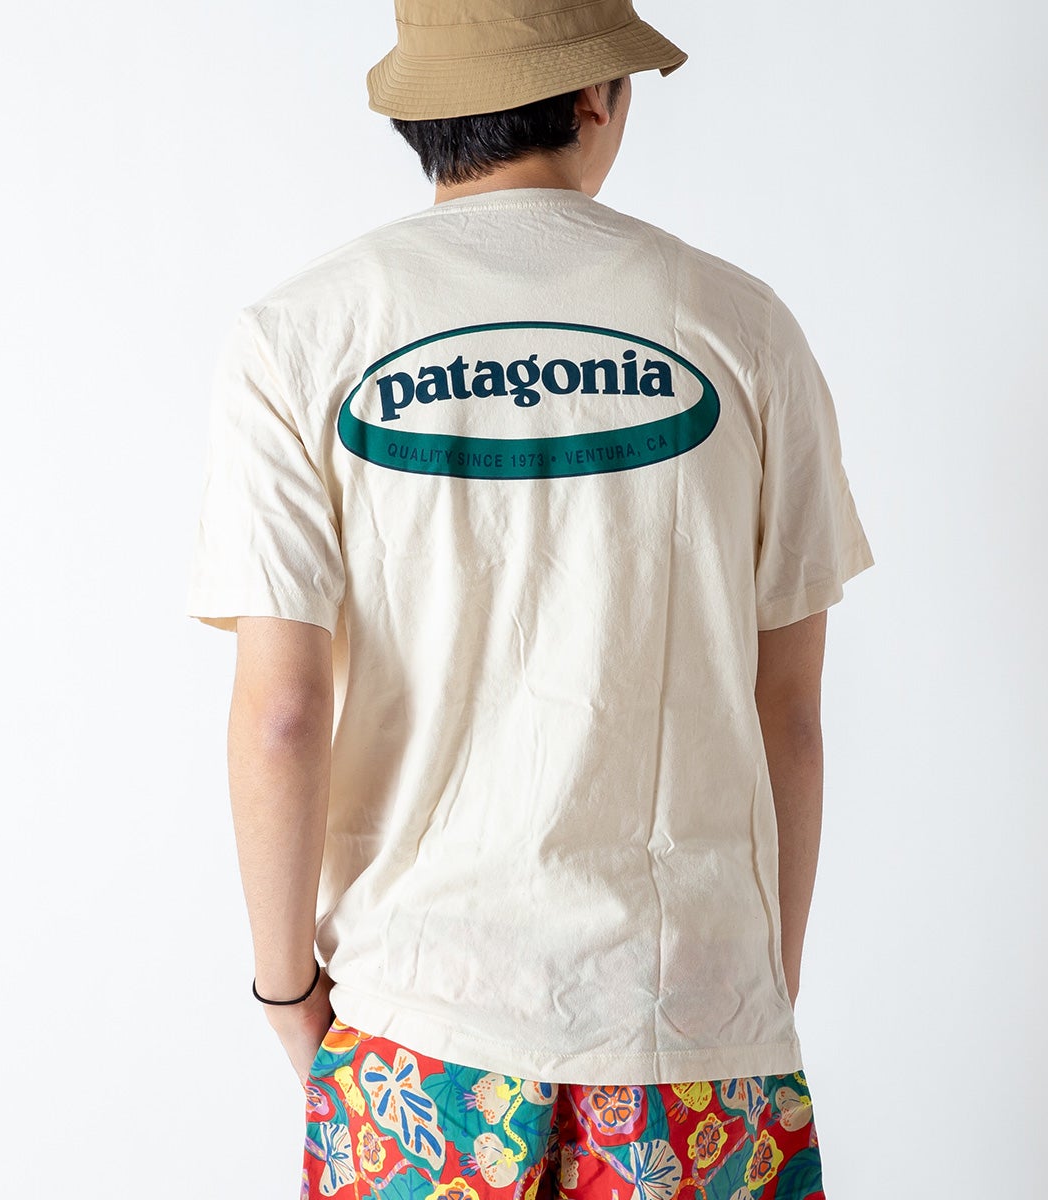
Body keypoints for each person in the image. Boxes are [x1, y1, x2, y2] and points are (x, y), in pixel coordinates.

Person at [186, 2, 874, 1197]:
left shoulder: (297, 339)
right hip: (694, 1028)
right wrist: (757, 986)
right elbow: (792, 716)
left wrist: (287, 993)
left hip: (415, 1032)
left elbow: (282, 717)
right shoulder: (744, 329)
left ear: (422, 109)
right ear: (598, 93)